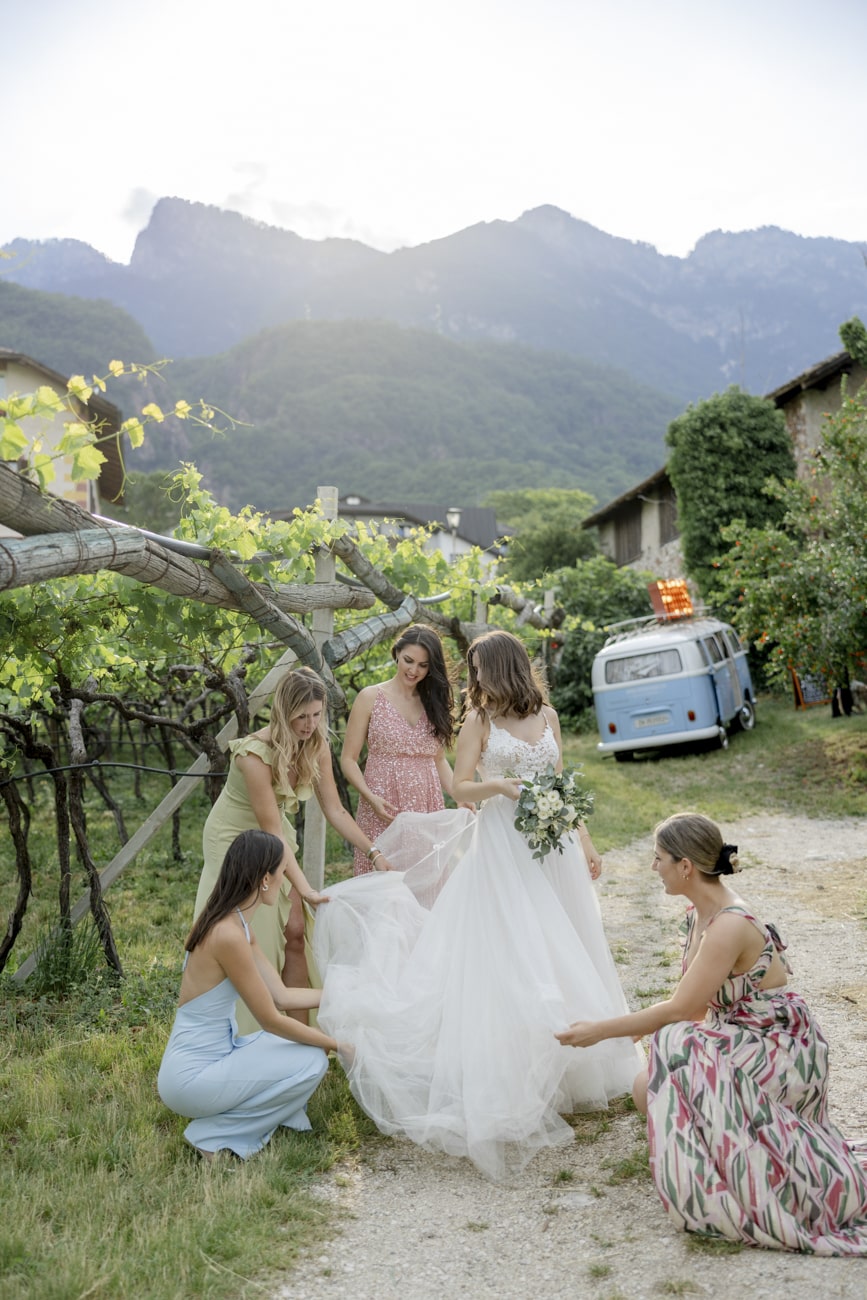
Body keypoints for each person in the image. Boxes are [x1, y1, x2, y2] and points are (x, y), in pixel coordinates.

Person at [313, 629, 641, 1182]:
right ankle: (517, 1065)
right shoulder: (478, 722)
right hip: (503, 847)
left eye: (480, 668)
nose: (474, 679)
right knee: (518, 946)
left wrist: (584, 840)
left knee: (567, 938)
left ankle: (571, 1064)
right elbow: (461, 788)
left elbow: (562, 784)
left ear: (505, 666)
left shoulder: (550, 717)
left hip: (551, 844)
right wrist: (503, 787)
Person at [556, 812, 867, 1254]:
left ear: (685, 866)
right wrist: (632, 1032)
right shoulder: (699, 914)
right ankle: (729, 1155)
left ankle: (745, 1175)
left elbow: (684, 1009)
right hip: (740, 1032)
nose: (652, 866)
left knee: (673, 1043)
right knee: (648, 1089)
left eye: (658, 857)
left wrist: (602, 1031)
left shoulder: (728, 924)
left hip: (779, 1046)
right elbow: (692, 999)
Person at [193, 666, 393, 1033]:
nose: (309, 724)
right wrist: (305, 889)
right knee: (257, 933)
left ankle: (302, 1038)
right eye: (301, 716)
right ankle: (248, 1030)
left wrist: (375, 852)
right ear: (283, 711)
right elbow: (271, 830)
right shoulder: (254, 755)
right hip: (236, 841)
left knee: (297, 932)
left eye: (317, 715)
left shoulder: (316, 746)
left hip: (274, 839)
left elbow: (335, 809)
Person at [159, 829, 338, 1160]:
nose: (286, 881)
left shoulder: (237, 924)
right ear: (265, 879)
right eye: (283, 872)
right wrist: (336, 1045)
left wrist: (338, 995)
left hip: (217, 1057)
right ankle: (211, 1136)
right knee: (313, 1060)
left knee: (302, 1049)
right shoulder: (227, 935)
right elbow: (270, 1019)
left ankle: (233, 1121)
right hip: (191, 1078)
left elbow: (282, 996)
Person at [341, 624, 465, 876]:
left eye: (423, 665)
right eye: (408, 660)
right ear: (396, 652)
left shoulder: (434, 702)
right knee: (383, 880)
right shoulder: (370, 697)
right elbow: (348, 759)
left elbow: (439, 759)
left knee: (423, 879)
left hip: (425, 804)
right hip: (382, 804)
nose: (414, 670)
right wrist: (369, 797)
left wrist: (459, 794)